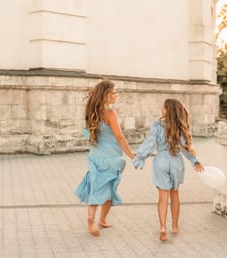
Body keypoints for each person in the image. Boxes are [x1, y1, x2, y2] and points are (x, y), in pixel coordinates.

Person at [132, 98, 204, 241]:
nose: (161, 109)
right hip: (176, 161)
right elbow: (185, 148)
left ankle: (163, 227)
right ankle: (175, 226)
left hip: (161, 161)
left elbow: (150, 142)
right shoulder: (180, 127)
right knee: (175, 195)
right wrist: (195, 161)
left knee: (163, 197)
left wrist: (140, 157)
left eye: (163, 107)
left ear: (167, 110)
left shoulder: (157, 125)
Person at [75, 80, 135, 236]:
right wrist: (132, 155)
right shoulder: (110, 114)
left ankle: (97, 219)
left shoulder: (90, 112)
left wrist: (93, 141)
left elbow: (86, 133)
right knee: (108, 190)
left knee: (99, 189)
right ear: (106, 94)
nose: (116, 96)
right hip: (111, 159)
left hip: (95, 158)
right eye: (114, 93)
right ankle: (95, 219)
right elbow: (120, 137)